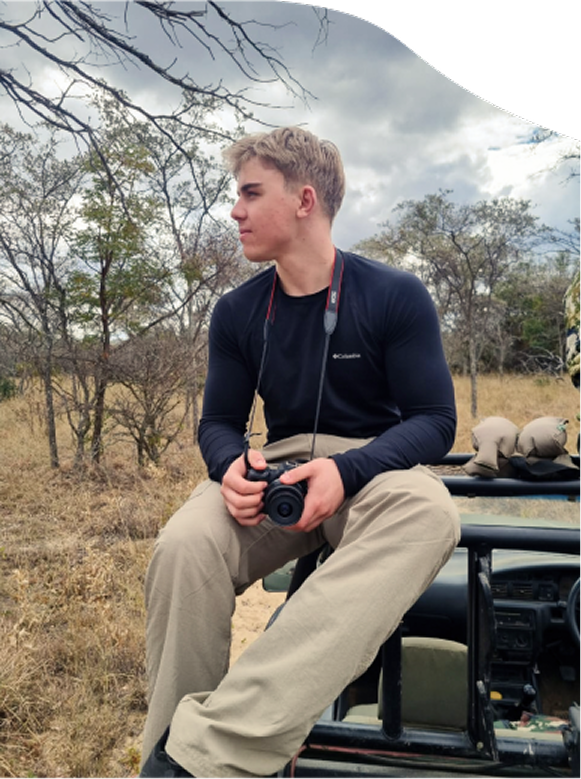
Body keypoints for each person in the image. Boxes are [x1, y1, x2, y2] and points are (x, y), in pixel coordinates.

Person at [139, 127, 461, 779]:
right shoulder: (235, 312)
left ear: (304, 199)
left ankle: (207, 752)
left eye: (250, 193)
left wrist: (347, 471)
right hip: (277, 463)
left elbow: (434, 421)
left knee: (430, 514)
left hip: (374, 465)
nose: (235, 211)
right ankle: (169, 758)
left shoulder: (394, 295)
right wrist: (228, 466)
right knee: (184, 545)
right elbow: (220, 425)